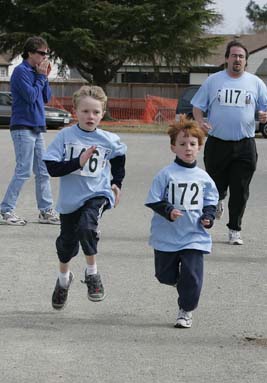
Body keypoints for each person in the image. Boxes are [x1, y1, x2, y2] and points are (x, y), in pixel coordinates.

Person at [43, 85, 127, 310]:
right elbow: (52, 167)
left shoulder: (108, 139)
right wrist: (77, 162)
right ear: (75, 111)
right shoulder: (65, 136)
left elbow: (119, 159)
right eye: (86, 111)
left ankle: (92, 274)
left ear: (102, 113)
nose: (91, 116)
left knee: (87, 227)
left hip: (97, 193)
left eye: (96, 112)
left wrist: (116, 184)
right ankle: (63, 280)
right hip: (70, 200)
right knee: (66, 245)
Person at [145, 115, 218, 328]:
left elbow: (211, 201)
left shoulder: (204, 177)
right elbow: (154, 199)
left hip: (194, 234)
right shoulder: (165, 174)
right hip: (167, 235)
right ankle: (181, 284)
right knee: (164, 276)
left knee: (192, 277)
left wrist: (208, 217)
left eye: (193, 144)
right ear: (173, 147)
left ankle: (185, 311)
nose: (188, 148)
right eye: (182, 144)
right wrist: (168, 211)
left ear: (199, 148)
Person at [191, 40, 267, 245]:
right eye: (233, 55)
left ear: (246, 61)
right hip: (217, 143)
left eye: (241, 56)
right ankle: (217, 202)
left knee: (240, 189)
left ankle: (235, 229)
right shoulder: (214, 81)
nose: (237, 59)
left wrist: (263, 116)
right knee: (214, 186)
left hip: (245, 145)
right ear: (226, 59)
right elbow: (197, 107)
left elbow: (265, 109)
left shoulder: (256, 83)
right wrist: (200, 121)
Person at [0, 36, 59, 226]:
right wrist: (40, 77)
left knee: (43, 171)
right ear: (31, 53)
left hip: (37, 127)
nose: (45, 57)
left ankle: (45, 211)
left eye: (46, 54)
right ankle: (6, 211)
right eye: (42, 53)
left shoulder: (36, 72)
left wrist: (44, 77)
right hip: (22, 127)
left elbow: (46, 98)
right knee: (23, 171)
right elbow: (31, 96)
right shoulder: (20, 72)